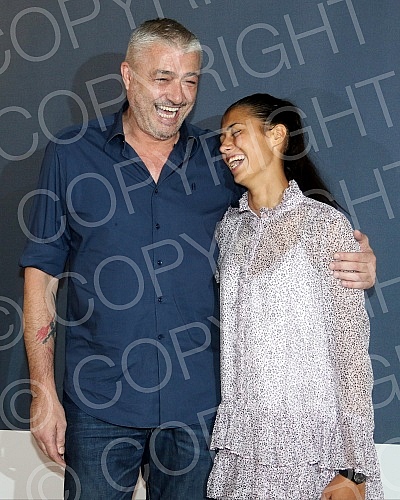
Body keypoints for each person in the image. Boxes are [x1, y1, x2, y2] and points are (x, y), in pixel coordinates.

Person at [20, 19, 377, 500]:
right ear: (128, 76)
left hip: (199, 409)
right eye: (163, 78)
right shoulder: (71, 154)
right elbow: (41, 275)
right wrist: (42, 392)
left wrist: (353, 255)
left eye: (190, 80)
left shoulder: (219, 158)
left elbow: (281, 211)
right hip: (100, 401)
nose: (178, 95)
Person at [206, 93, 383, 500]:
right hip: (243, 454)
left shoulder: (324, 225)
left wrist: (354, 469)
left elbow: (350, 351)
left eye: (236, 132)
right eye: (222, 138)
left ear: (277, 136)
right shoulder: (229, 231)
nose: (225, 146)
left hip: (316, 456)